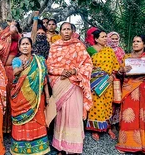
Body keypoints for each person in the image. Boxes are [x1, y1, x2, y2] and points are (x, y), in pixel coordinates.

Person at [46, 22, 93, 154]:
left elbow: (88, 64)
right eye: (64, 29)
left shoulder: (78, 46)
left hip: (75, 82)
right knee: (61, 114)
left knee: (74, 113)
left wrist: (73, 71)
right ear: (60, 32)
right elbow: (49, 66)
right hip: (59, 82)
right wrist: (62, 71)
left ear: (72, 31)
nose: (66, 32)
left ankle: (73, 146)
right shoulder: (55, 47)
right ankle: (61, 145)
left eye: (68, 29)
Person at [10, 37, 50, 155]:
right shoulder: (17, 60)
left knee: (38, 119)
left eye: (27, 44)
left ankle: (40, 147)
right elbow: (15, 71)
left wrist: (47, 96)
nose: (25, 46)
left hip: (37, 97)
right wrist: (21, 68)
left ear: (31, 46)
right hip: (21, 96)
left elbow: (44, 80)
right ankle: (20, 148)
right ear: (19, 47)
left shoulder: (39, 60)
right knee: (22, 122)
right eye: (23, 44)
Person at [85, 29, 120, 141]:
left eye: (106, 36)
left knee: (108, 105)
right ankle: (96, 129)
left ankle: (108, 127)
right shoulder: (90, 50)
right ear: (96, 39)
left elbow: (115, 67)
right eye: (103, 37)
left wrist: (112, 75)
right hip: (95, 83)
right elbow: (85, 66)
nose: (106, 38)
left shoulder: (109, 51)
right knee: (96, 105)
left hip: (108, 82)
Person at [115, 35, 145, 153]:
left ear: (144, 44)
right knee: (128, 116)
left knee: (142, 116)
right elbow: (118, 72)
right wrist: (122, 70)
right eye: (133, 41)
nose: (135, 43)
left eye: (138, 41)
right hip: (129, 89)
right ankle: (127, 144)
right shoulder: (127, 57)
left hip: (142, 89)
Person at [0, 21, 21, 133]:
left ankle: (10, 127)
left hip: (10, 71)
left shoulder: (16, 38)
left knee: (10, 98)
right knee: (0, 98)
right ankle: (0, 126)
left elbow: (14, 31)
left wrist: (11, 27)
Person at [106, 32, 125, 126]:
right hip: (107, 79)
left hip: (119, 79)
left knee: (117, 101)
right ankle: (106, 124)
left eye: (116, 39)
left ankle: (114, 123)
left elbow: (124, 63)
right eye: (112, 39)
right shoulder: (105, 50)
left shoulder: (121, 51)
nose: (114, 40)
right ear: (108, 39)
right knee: (108, 101)